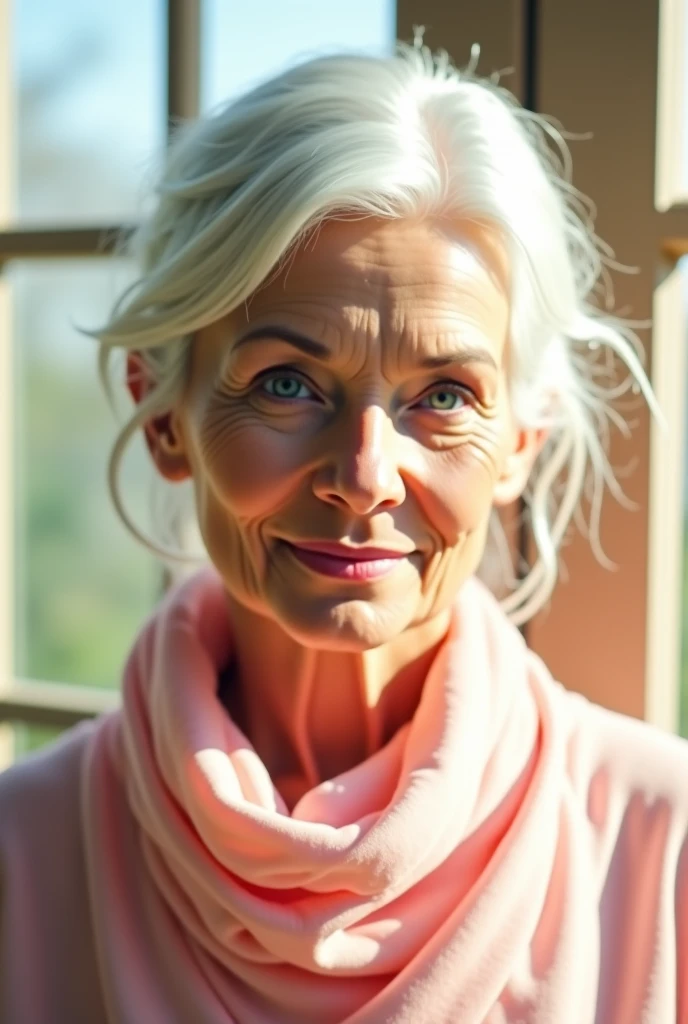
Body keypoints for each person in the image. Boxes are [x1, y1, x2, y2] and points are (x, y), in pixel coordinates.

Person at [1, 42, 687, 1024]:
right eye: (287, 382)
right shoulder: (22, 852)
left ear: (520, 446)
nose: (366, 476)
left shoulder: (664, 846)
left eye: (443, 395)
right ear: (164, 418)